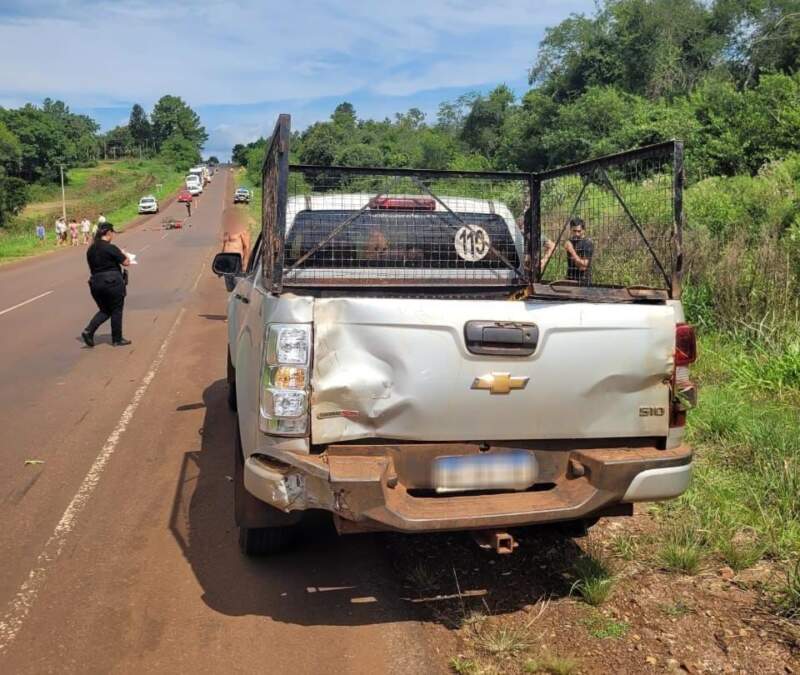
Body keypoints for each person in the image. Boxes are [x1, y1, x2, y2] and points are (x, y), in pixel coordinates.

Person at [80, 223, 132, 347]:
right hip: (112, 282)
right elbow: (126, 262)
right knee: (116, 310)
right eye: (112, 233)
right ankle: (117, 339)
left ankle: (89, 331)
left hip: (95, 283)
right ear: (108, 233)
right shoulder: (110, 248)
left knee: (105, 310)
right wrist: (123, 253)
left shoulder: (90, 250)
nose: (113, 235)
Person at [564, 217, 593, 284]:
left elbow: (583, 267)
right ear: (571, 230)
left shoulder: (587, 243)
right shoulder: (570, 242)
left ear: (583, 230)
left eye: (579, 231)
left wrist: (571, 250)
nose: (576, 234)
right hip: (570, 281)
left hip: (583, 282)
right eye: (574, 231)